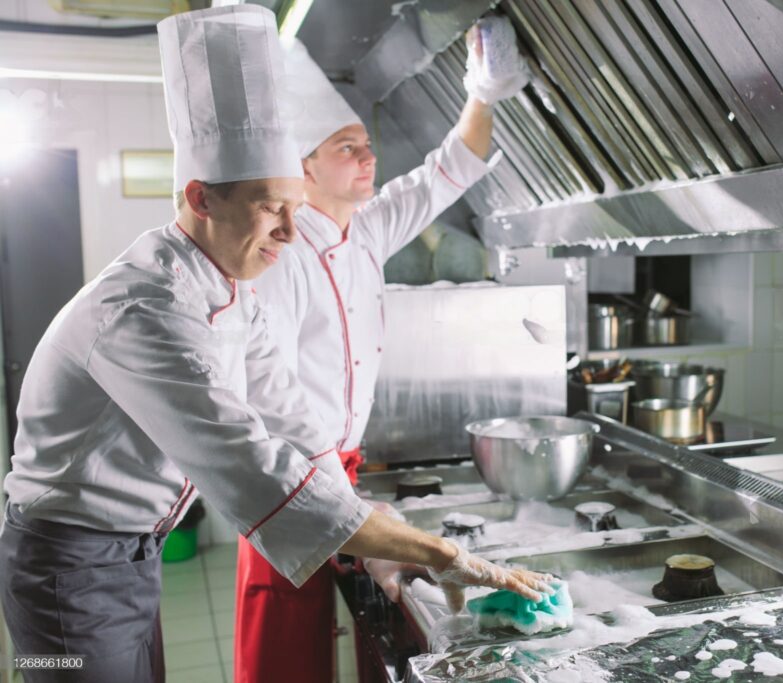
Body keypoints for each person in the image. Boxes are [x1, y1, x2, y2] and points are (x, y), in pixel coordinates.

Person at [0, 8, 549, 683]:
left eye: (296, 207)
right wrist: (438, 551)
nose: (291, 232)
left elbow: (297, 426)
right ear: (201, 197)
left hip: (132, 552)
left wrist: (374, 535)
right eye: (271, 207)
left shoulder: (228, 288)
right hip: (64, 565)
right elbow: (258, 467)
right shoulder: (150, 310)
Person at [233, 19, 530, 682]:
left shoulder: (366, 229)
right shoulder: (281, 257)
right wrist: (346, 505)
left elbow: (448, 170)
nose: (368, 158)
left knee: (322, 646)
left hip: (342, 474)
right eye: (346, 147)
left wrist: (483, 90)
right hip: (289, 480)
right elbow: (265, 399)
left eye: (367, 144)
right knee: (281, 653)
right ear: (303, 166)